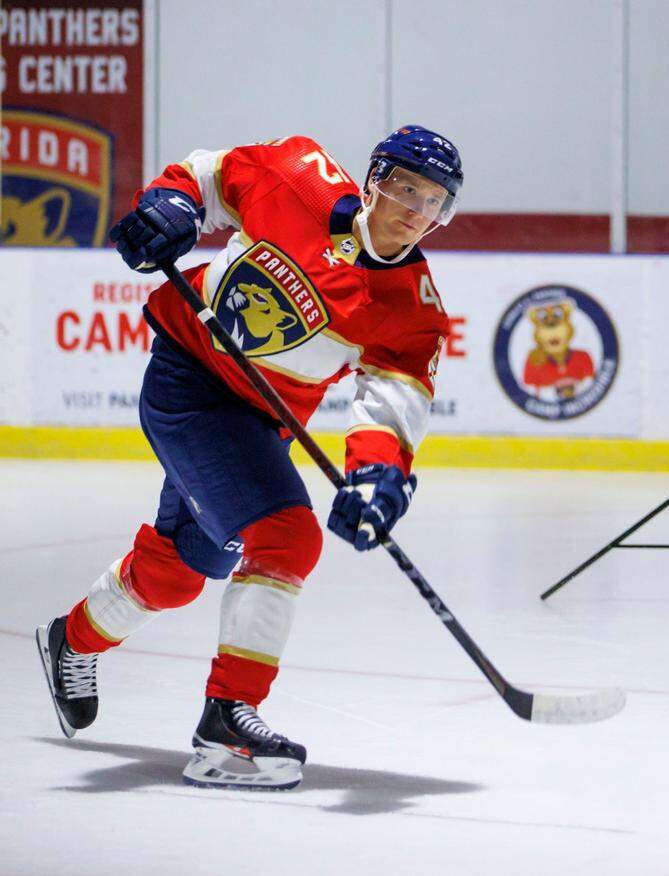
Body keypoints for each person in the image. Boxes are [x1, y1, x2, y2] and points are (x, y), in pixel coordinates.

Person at [34, 125, 463, 791]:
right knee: (287, 537)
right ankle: (226, 725)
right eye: (407, 189)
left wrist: (377, 476)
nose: (417, 211)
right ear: (374, 180)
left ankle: (73, 638)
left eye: (434, 201)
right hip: (190, 381)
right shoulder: (300, 176)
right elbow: (207, 177)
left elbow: (391, 403)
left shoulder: (410, 309)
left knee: (181, 570)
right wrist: (172, 204)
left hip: (262, 422)